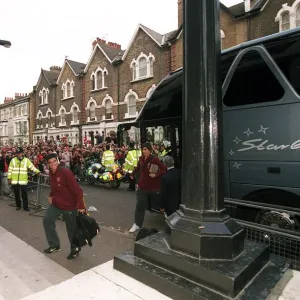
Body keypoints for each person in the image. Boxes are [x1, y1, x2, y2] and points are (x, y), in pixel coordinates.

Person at [43, 153, 86, 260]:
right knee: (47, 220)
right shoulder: (52, 173)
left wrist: (81, 206)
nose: (53, 164)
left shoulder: (65, 172)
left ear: (57, 161)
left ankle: (75, 249)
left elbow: (78, 191)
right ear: (48, 164)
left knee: (71, 229)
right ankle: (54, 245)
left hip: (69, 205)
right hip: (56, 203)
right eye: (50, 163)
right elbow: (54, 187)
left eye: (54, 161)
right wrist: (51, 195)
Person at [129, 142, 167, 233]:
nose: (144, 151)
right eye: (143, 149)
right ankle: (137, 224)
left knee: (161, 203)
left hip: (153, 186)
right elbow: (138, 167)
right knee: (139, 205)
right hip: (142, 185)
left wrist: (156, 174)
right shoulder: (141, 158)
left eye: (145, 149)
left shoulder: (154, 159)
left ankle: (169, 216)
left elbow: (164, 169)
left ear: (149, 150)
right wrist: (133, 174)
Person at [7, 147, 40, 211]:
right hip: (15, 181)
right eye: (17, 153)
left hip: (23, 181)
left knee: (24, 195)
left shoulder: (26, 160)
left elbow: (32, 167)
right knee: (17, 195)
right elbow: (10, 170)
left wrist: (37, 172)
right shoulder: (13, 160)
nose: (18, 154)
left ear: (22, 153)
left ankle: (25, 207)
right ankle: (18, 205)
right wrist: (9, 178)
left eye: (20, 153)